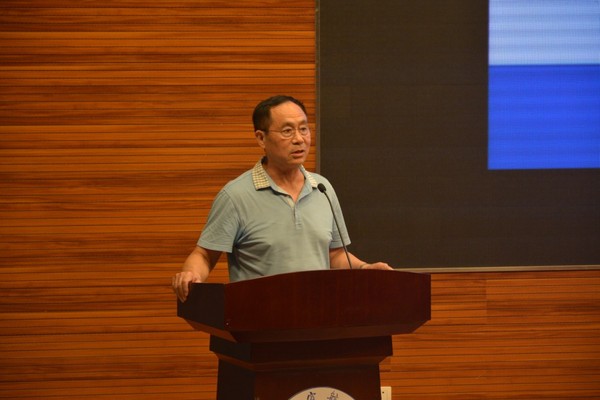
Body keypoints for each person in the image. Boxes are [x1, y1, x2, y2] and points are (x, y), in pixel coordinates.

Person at [172, 95, 392, 302]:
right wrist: (191, 275)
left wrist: (364, 268)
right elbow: (204, 255)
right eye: (287, 131)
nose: (299, 139)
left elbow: (334, 254)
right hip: (260, 318)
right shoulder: (236, 195)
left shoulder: (322, 188)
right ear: (261, 138)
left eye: (303, 129)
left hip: (319, 315)